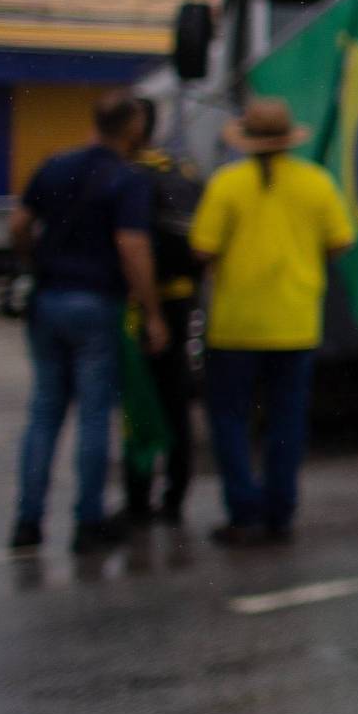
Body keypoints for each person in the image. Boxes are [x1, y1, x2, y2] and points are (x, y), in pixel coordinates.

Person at [189, 97, 355, 546]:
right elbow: (340, 242)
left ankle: (243, 511)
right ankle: (280, 511)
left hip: (235, 324)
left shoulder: (227, 184)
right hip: (295, 321)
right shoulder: (317, 183)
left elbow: (202, 248)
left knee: (230, 420)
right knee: (286, 421)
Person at [6, 89, 164, 554]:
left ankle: (27, 520)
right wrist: (152, 312)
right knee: (95, 415)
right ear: (133, 128)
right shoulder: (126, 178)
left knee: (44, 412)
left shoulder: (55, 164)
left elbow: (18, 225)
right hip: (97, 303)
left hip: (48, 300)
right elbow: (131, 246)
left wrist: (34, 263)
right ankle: (87, 521)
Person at [119, 96, 205, 529]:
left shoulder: (128, 174)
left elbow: (129, 246)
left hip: (140, 304)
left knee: (139, 404)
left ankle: (137, 498)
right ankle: (175, 495)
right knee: (176, 401)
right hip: (182, 297)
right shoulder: (184, 171)